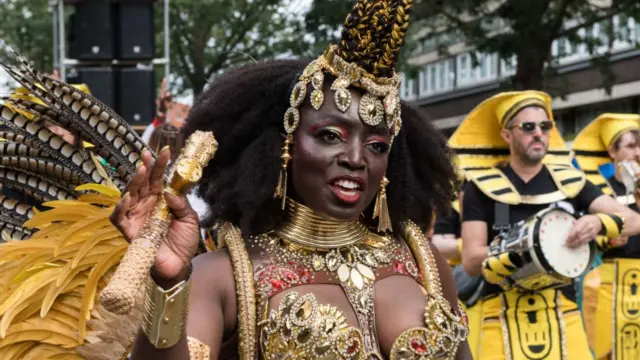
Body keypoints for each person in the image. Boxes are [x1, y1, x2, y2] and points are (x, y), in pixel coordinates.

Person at [0, 1, 471, 359]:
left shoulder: (422, 261)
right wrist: (168, 282)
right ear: (282, 145)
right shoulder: (225, 275)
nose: (355, 158)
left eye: (376, 145)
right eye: (330, 135)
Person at [450, 90, 640, 360]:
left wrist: (598, 222)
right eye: (528, 127)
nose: (538, 133)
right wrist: (533, 249)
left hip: (564, 311)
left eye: (545, 126)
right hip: (501, 314)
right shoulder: (480, 187)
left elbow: (634, 221)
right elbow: (470, 259)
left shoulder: (571, 182)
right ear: (507, 134)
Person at [572, 113, 640, 360]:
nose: (638, 152)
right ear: (612, 151)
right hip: (611, 281)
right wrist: (607, 239)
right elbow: (585, 235)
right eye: (631, 145)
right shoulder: (599, 191)